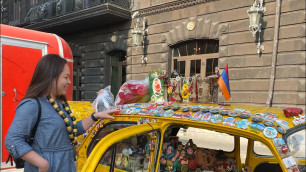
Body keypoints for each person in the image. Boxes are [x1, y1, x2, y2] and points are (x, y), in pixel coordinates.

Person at [5, 54, 119, 172]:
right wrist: (42, 164)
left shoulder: (60, 103)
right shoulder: (32, 104)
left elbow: (72, 130)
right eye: (66, 77)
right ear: (51, 77)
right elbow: (12, 140)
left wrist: (95, 117)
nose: (69, 81)